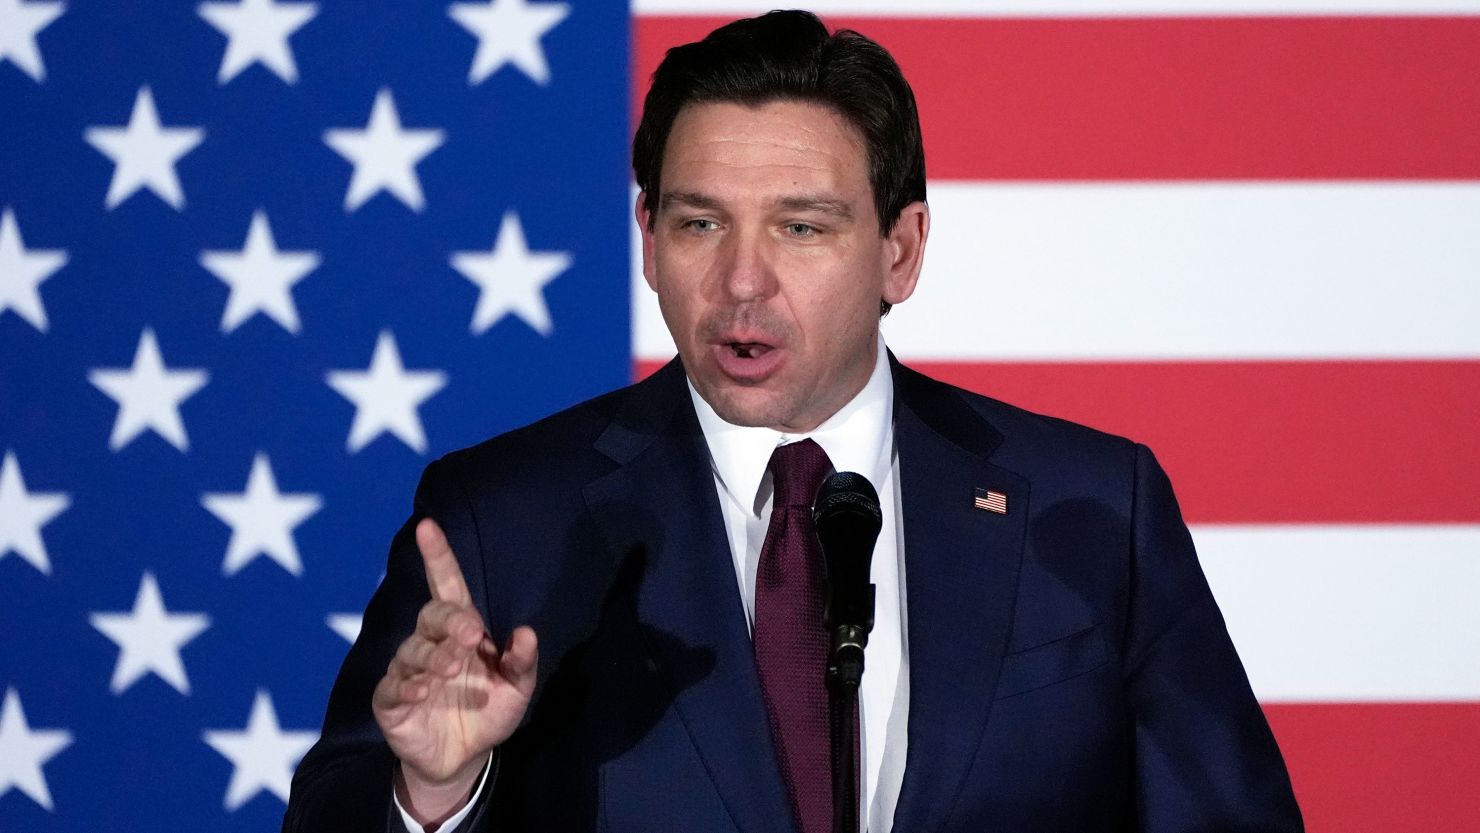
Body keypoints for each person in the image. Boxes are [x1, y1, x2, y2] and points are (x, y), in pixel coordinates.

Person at [284, 10, 1303, 833]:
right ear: (646, 241)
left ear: (900, 250)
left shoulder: (1091, 506)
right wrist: (433, 798)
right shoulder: (501, 517)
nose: (739, 281)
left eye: (801, 226)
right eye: (698, 222)